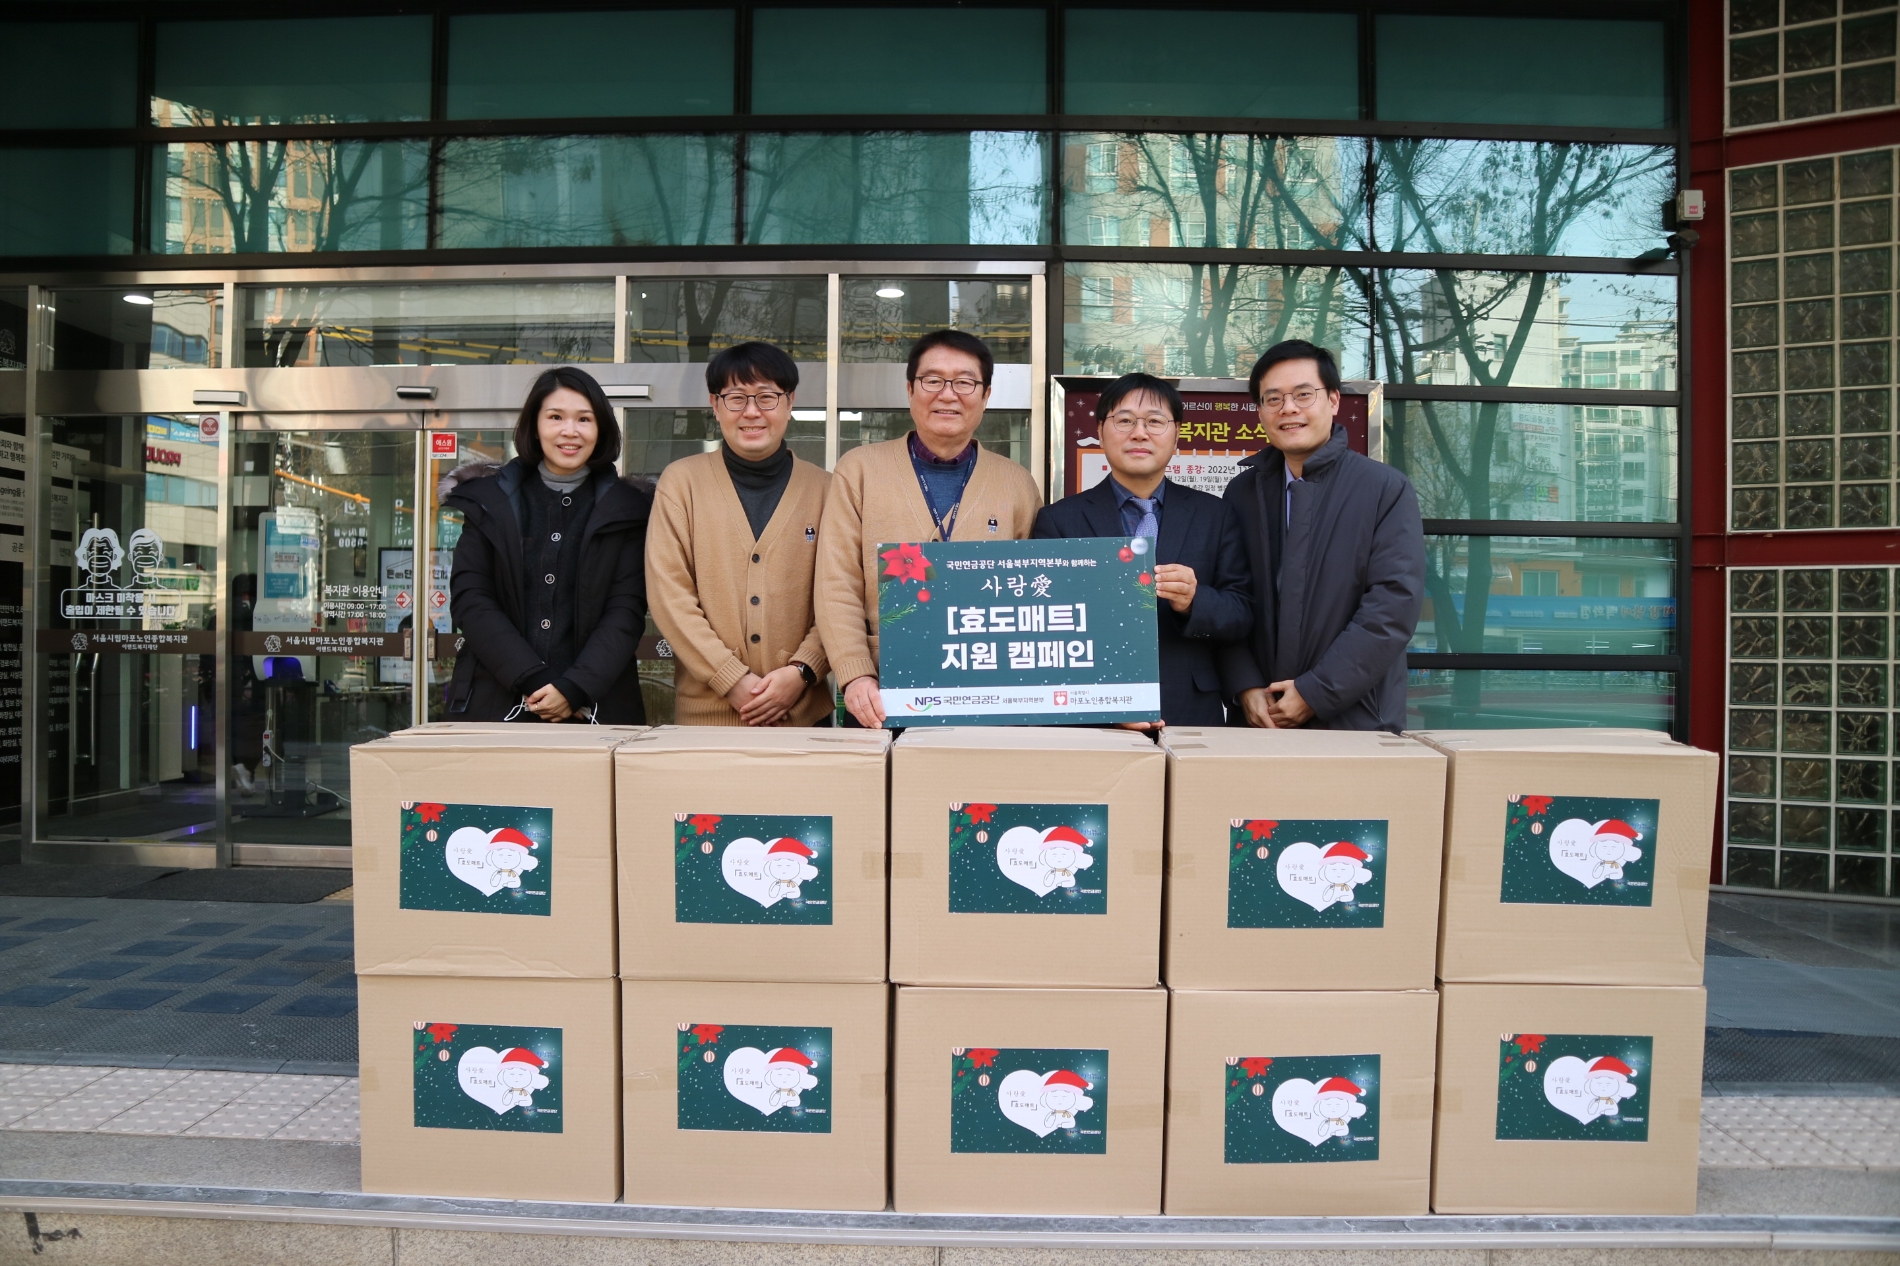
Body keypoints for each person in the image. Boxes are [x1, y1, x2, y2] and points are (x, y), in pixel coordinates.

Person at [815, 329, 1041, 727]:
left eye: (965, 382)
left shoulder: (1016, 483)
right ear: (910, 389)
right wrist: (855, 673)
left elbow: (1033, 592)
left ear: (986, 395)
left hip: (989, 695)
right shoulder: (860, 470)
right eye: (932, 380)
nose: (948, 394)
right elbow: (837, 582)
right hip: (881, 695)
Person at [1219, 340, 1424, 732]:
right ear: (1260, 411)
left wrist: (1317, 692)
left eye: (1303, 395)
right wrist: (1244, 685)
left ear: (1333, 400)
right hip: (1261, 722)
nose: (1288, 409)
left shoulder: (1384, 488)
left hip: (1355, 717)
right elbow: (1230, 597)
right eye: (1273, 398)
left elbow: (1392, 606)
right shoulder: (1242, 493)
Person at [1032, 372, 1251, 727]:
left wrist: (1195, 601)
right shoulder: (1058, 521)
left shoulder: (1215, 515)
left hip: (1191, 708)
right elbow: (1046, 627)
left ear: (1177, 433)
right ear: (1101, 431)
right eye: (1124, 420)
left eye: (1155, 421)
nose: (1139, 432)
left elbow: (1242, 612)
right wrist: (1102, 710)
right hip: (1095, 712)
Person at [442, 366, 651, 723]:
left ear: (600, 429)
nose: (570, 431)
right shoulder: (489, 503)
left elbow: (627, 610)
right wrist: (533, 679)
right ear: (535, 425)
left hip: (599, 706)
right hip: (496, 701)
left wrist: (574, 688)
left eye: (584, 419)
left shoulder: (629, 510)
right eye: (555, 417)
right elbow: (471, 600)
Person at [647, 342, 831, 726]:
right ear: (715, 405)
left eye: (767, 397)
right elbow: (669, 594)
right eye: (736, 398)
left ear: (789, 402)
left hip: (801, 717)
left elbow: (842, 593)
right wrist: (729, 678)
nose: (751, 412)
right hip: (705, 718)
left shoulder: (827, 490)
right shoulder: (682, 483)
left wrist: (802, 671)